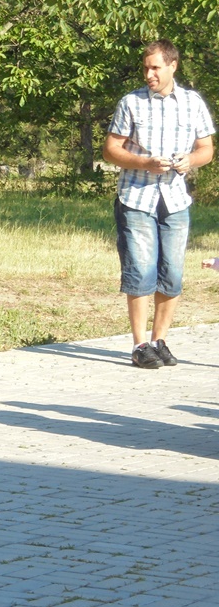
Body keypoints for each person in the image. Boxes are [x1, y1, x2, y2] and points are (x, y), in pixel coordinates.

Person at [103, 39, 214, 369]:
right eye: (145, 68)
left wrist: (190, 160)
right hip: (137, 198)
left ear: (172, 66)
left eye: (155, 68)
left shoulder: (193, 103)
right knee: (140, 271)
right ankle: (139, 345)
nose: (149, 74)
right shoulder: (131, 103)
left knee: (172, 274)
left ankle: (159, 341)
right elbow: (110, 150)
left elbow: (206, 149)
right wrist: (144, 163)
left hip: (175, 201)